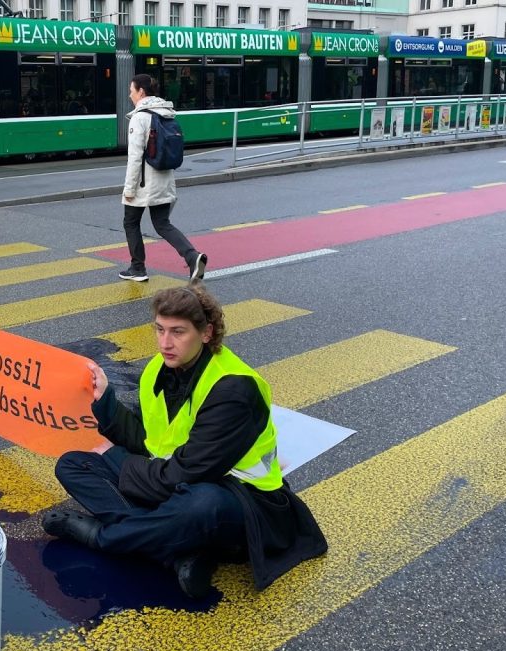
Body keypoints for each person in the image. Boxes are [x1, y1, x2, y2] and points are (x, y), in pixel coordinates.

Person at [42, 285, 328, 599]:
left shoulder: (233, 389)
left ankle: (105, 538)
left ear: (206, 333)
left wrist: (117, 460)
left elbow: (183, 474)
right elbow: (149, 442)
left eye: (178, 332)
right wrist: (106, 401)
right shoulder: (157, 369)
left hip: (242, 499)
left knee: (201, 504)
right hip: (172, 481)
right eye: (159, 329)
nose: (165, 343)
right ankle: (175, 552)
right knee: (73, 465)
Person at [120, 74, 207, 284]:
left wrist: (129, 189)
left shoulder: (140, 117)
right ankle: (192, 257)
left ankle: (137, 268)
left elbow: (135, 157)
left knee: (130, 222)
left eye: (132, 91)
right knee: (162, 224)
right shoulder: (167, 113)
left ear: (141, 91)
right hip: (164, 180)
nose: (130, 95)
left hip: (142, 184)